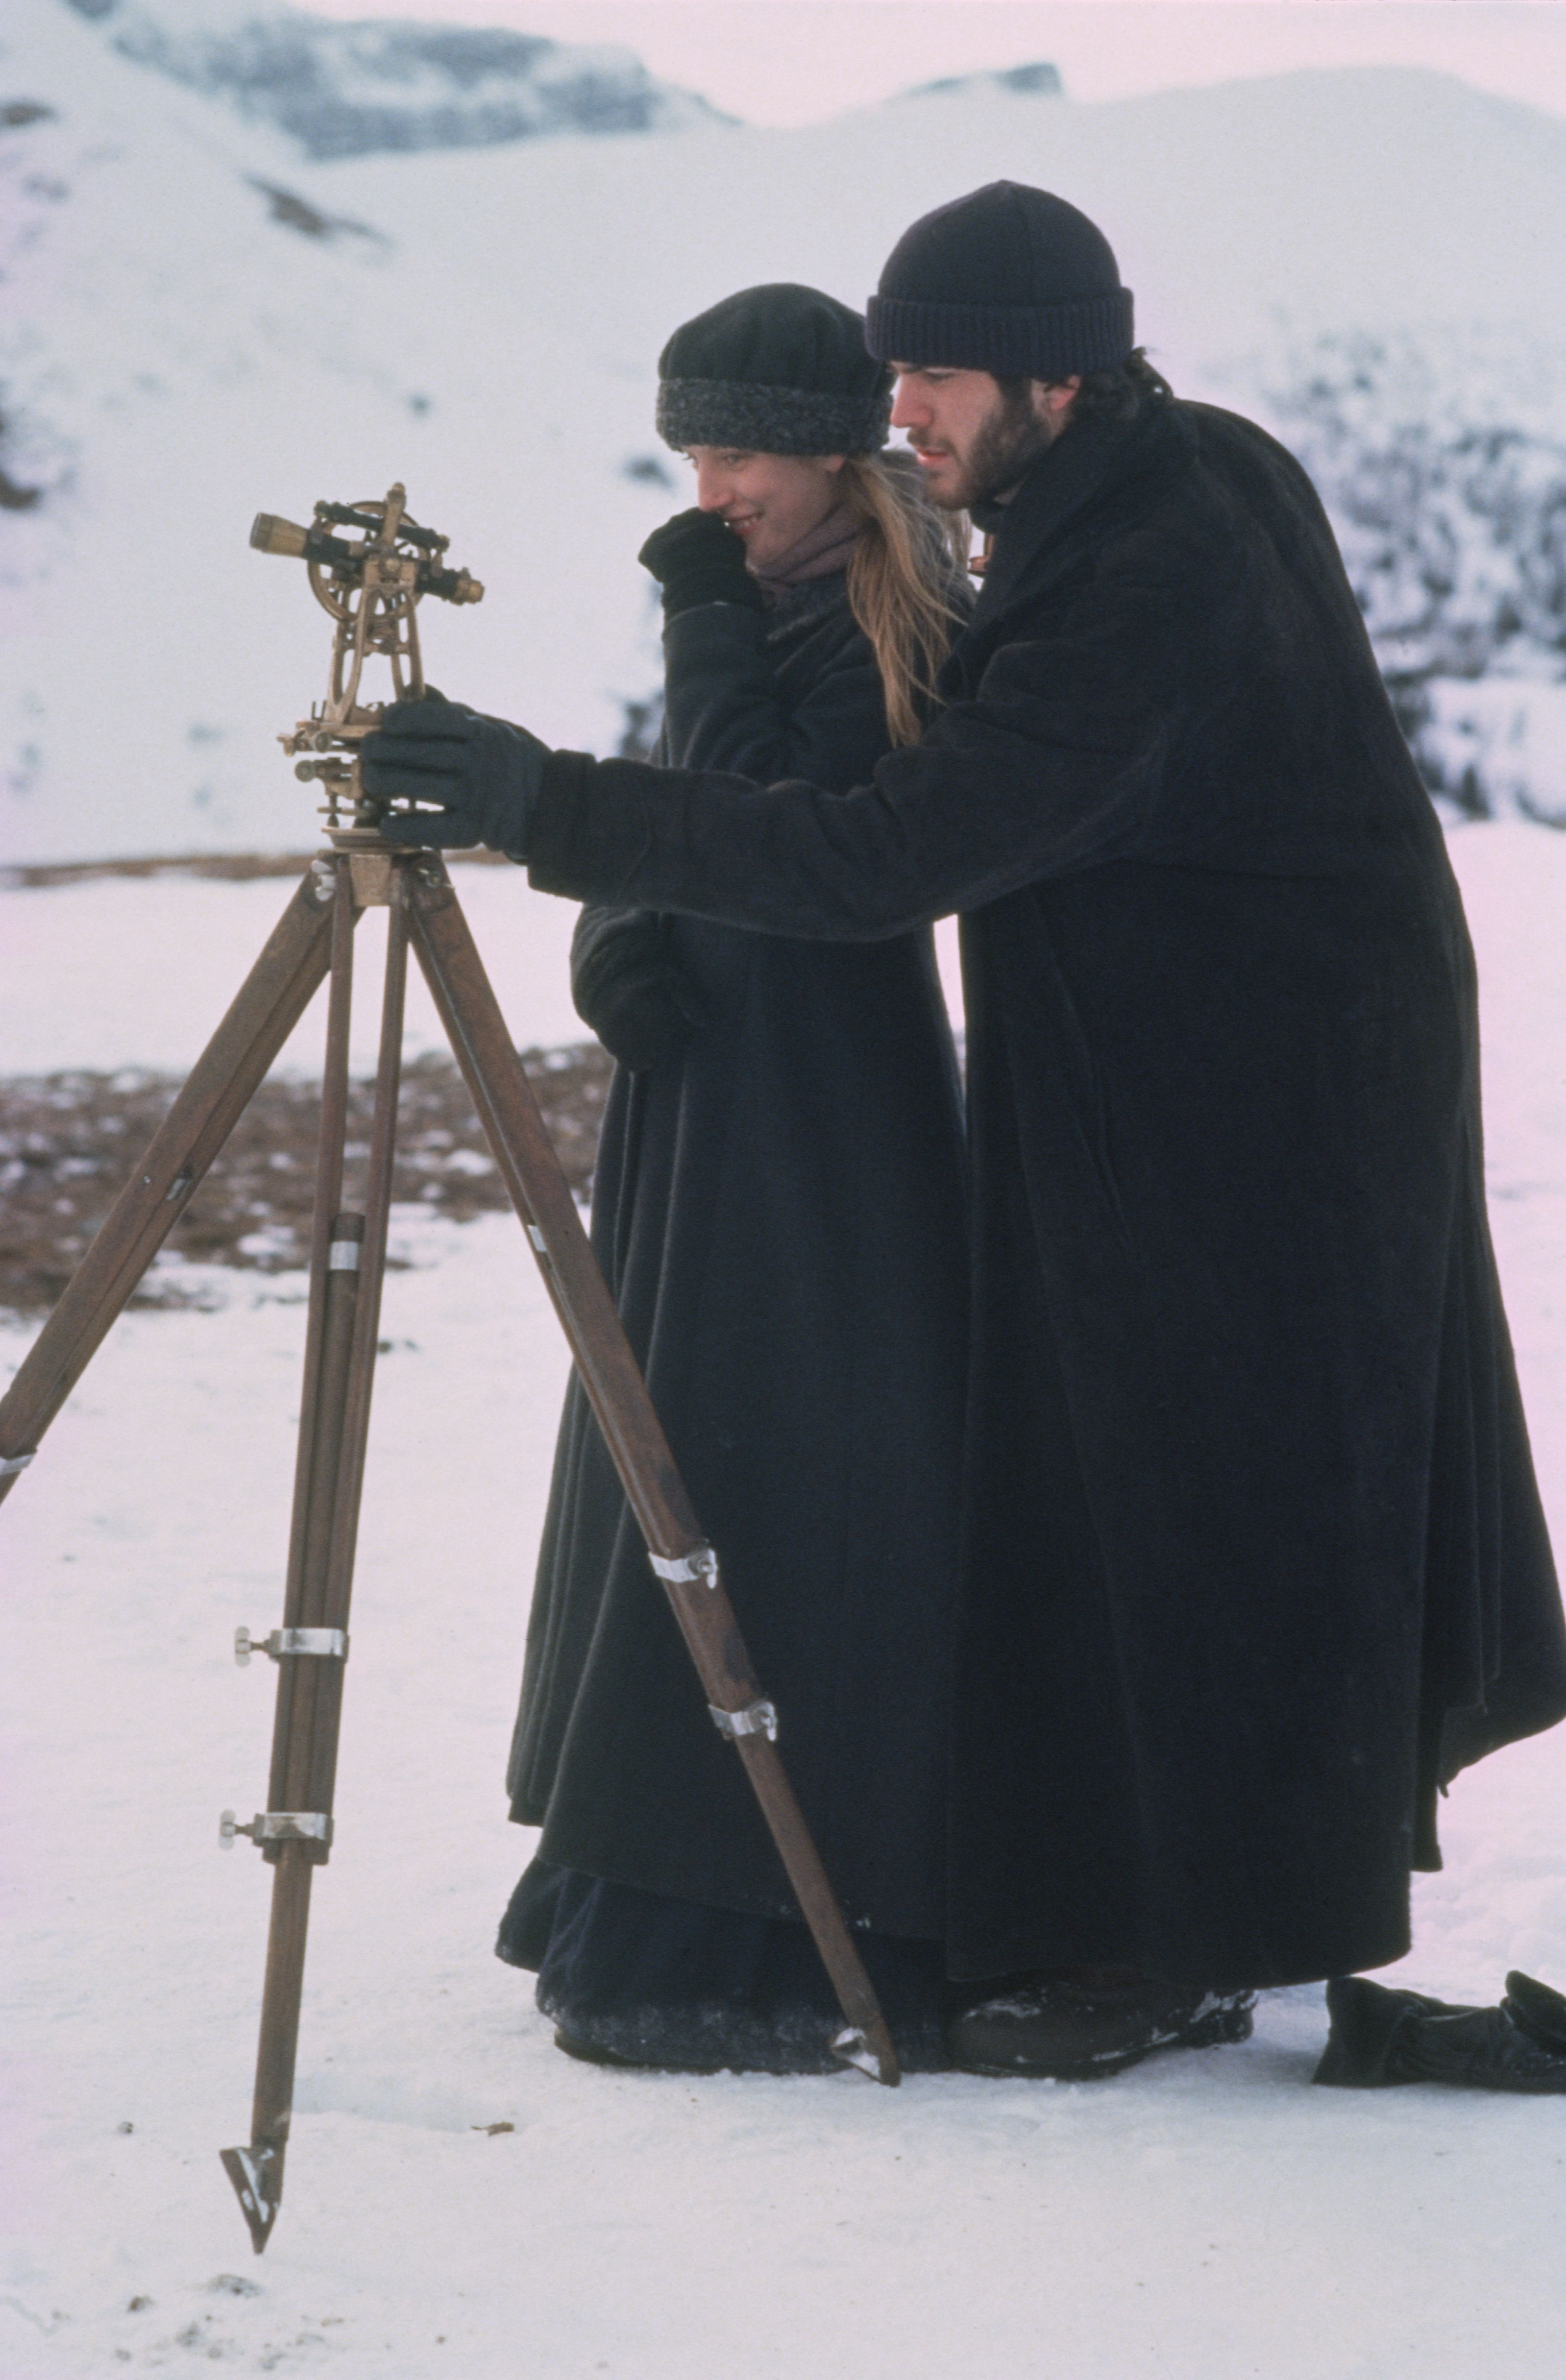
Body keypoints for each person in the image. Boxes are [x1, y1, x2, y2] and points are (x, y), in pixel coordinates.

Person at [366, 183, 1566, 2085]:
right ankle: (1165, 1924)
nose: (892, 407)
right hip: (1202, 1067)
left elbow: (894, 847)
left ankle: (1182, 1947)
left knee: (1231, 1514)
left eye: (926, 372)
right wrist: (628, 902)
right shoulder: (1161, 482)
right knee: (1163, 1507)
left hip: (1264, 1102)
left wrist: (548, 806)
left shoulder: (1155, 569)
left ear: (1055, 372)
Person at [492, 285, 972, 2074]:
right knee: (679, 1434)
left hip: (830, 1119)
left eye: (746, 450)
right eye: (696, 451)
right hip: (720, 1098)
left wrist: (698, 625)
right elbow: (684, 830)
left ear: (840, 452)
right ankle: (656, 1859)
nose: (714, 489)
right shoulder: (773, 591)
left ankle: (763, 1908)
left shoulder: (883, 624)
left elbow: (771, 816)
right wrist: (622, 938)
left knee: (784, 1465)